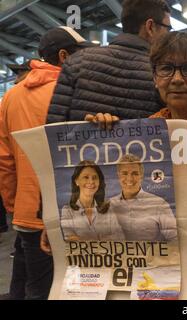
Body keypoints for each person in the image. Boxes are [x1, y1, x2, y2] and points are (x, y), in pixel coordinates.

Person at [0, 26, 93, 300]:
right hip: (68, 209)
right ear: (64, 56)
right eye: (79, 56)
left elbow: (4, 161)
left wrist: (15, 206)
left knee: (29, 281)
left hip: (27, 209)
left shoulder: (11, 96)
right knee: (55, 288)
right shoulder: (74, 92)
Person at [86, 31, 187, 226]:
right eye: (166, 69)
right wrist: (104, 134)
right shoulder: (146, 132)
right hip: (165, 245)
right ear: (155, 77)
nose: (177, 78)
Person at [46, 0, 171, 123]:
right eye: (168, 29)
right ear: (150, 27)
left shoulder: (76, 62)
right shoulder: (162, 72)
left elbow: (53, 130)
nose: (168, 35)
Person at [110, 154, 177, 241]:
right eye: (124, 173)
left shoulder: (158, 204)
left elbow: (175, 239)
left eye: (135, 173)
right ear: (118, 176)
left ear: (141, 176)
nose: (129, 178)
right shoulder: (110, 205)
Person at [61, 161, 124, 241]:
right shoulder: (67, 210)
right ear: (76, 181)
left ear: (99, 182)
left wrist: (85, 239)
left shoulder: (108, 208)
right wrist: (103, 239)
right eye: (86, 177)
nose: (91, 182)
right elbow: (69, 239)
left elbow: (120, 237)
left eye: (95, 177)